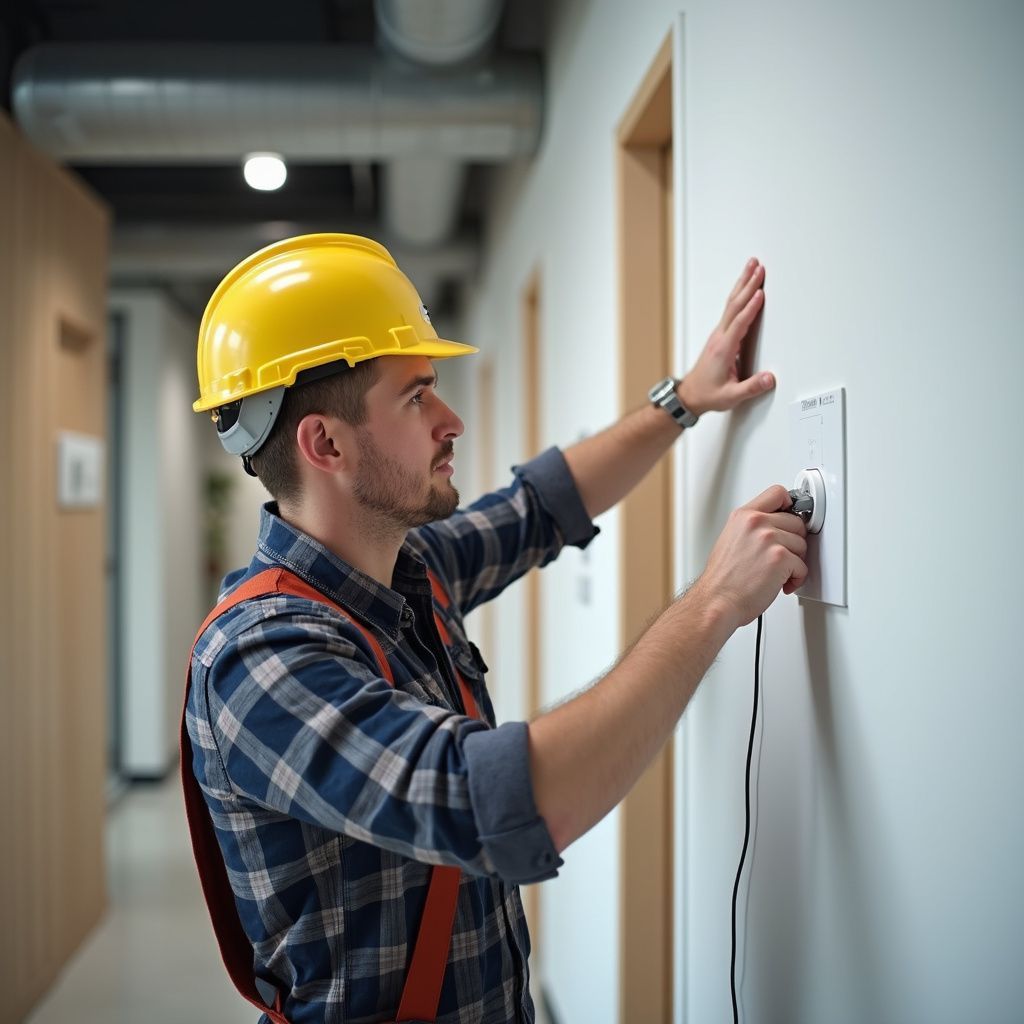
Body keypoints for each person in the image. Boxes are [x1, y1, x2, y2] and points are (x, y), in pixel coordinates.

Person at [184, 233, 808, 1024]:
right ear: (326, 443)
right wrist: (713, 601)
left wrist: (682, 398)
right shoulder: (258, 661)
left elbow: (539, 506)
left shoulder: (405, 570)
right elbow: (506, 804)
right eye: (416, 396)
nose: (453, 421)